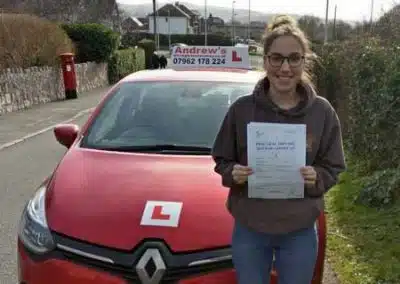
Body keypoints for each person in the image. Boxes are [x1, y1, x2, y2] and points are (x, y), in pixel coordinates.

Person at [211, 15, 346, 284]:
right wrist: (233, 173)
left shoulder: (322, 112)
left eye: (294, 58)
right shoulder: (242, 110)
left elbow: (333, 166)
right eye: (277, 58)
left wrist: (316, 177)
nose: (285, 67)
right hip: (250, 228)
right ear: (265, 61)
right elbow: (222, 159)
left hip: (300, 230)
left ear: (304, 62)